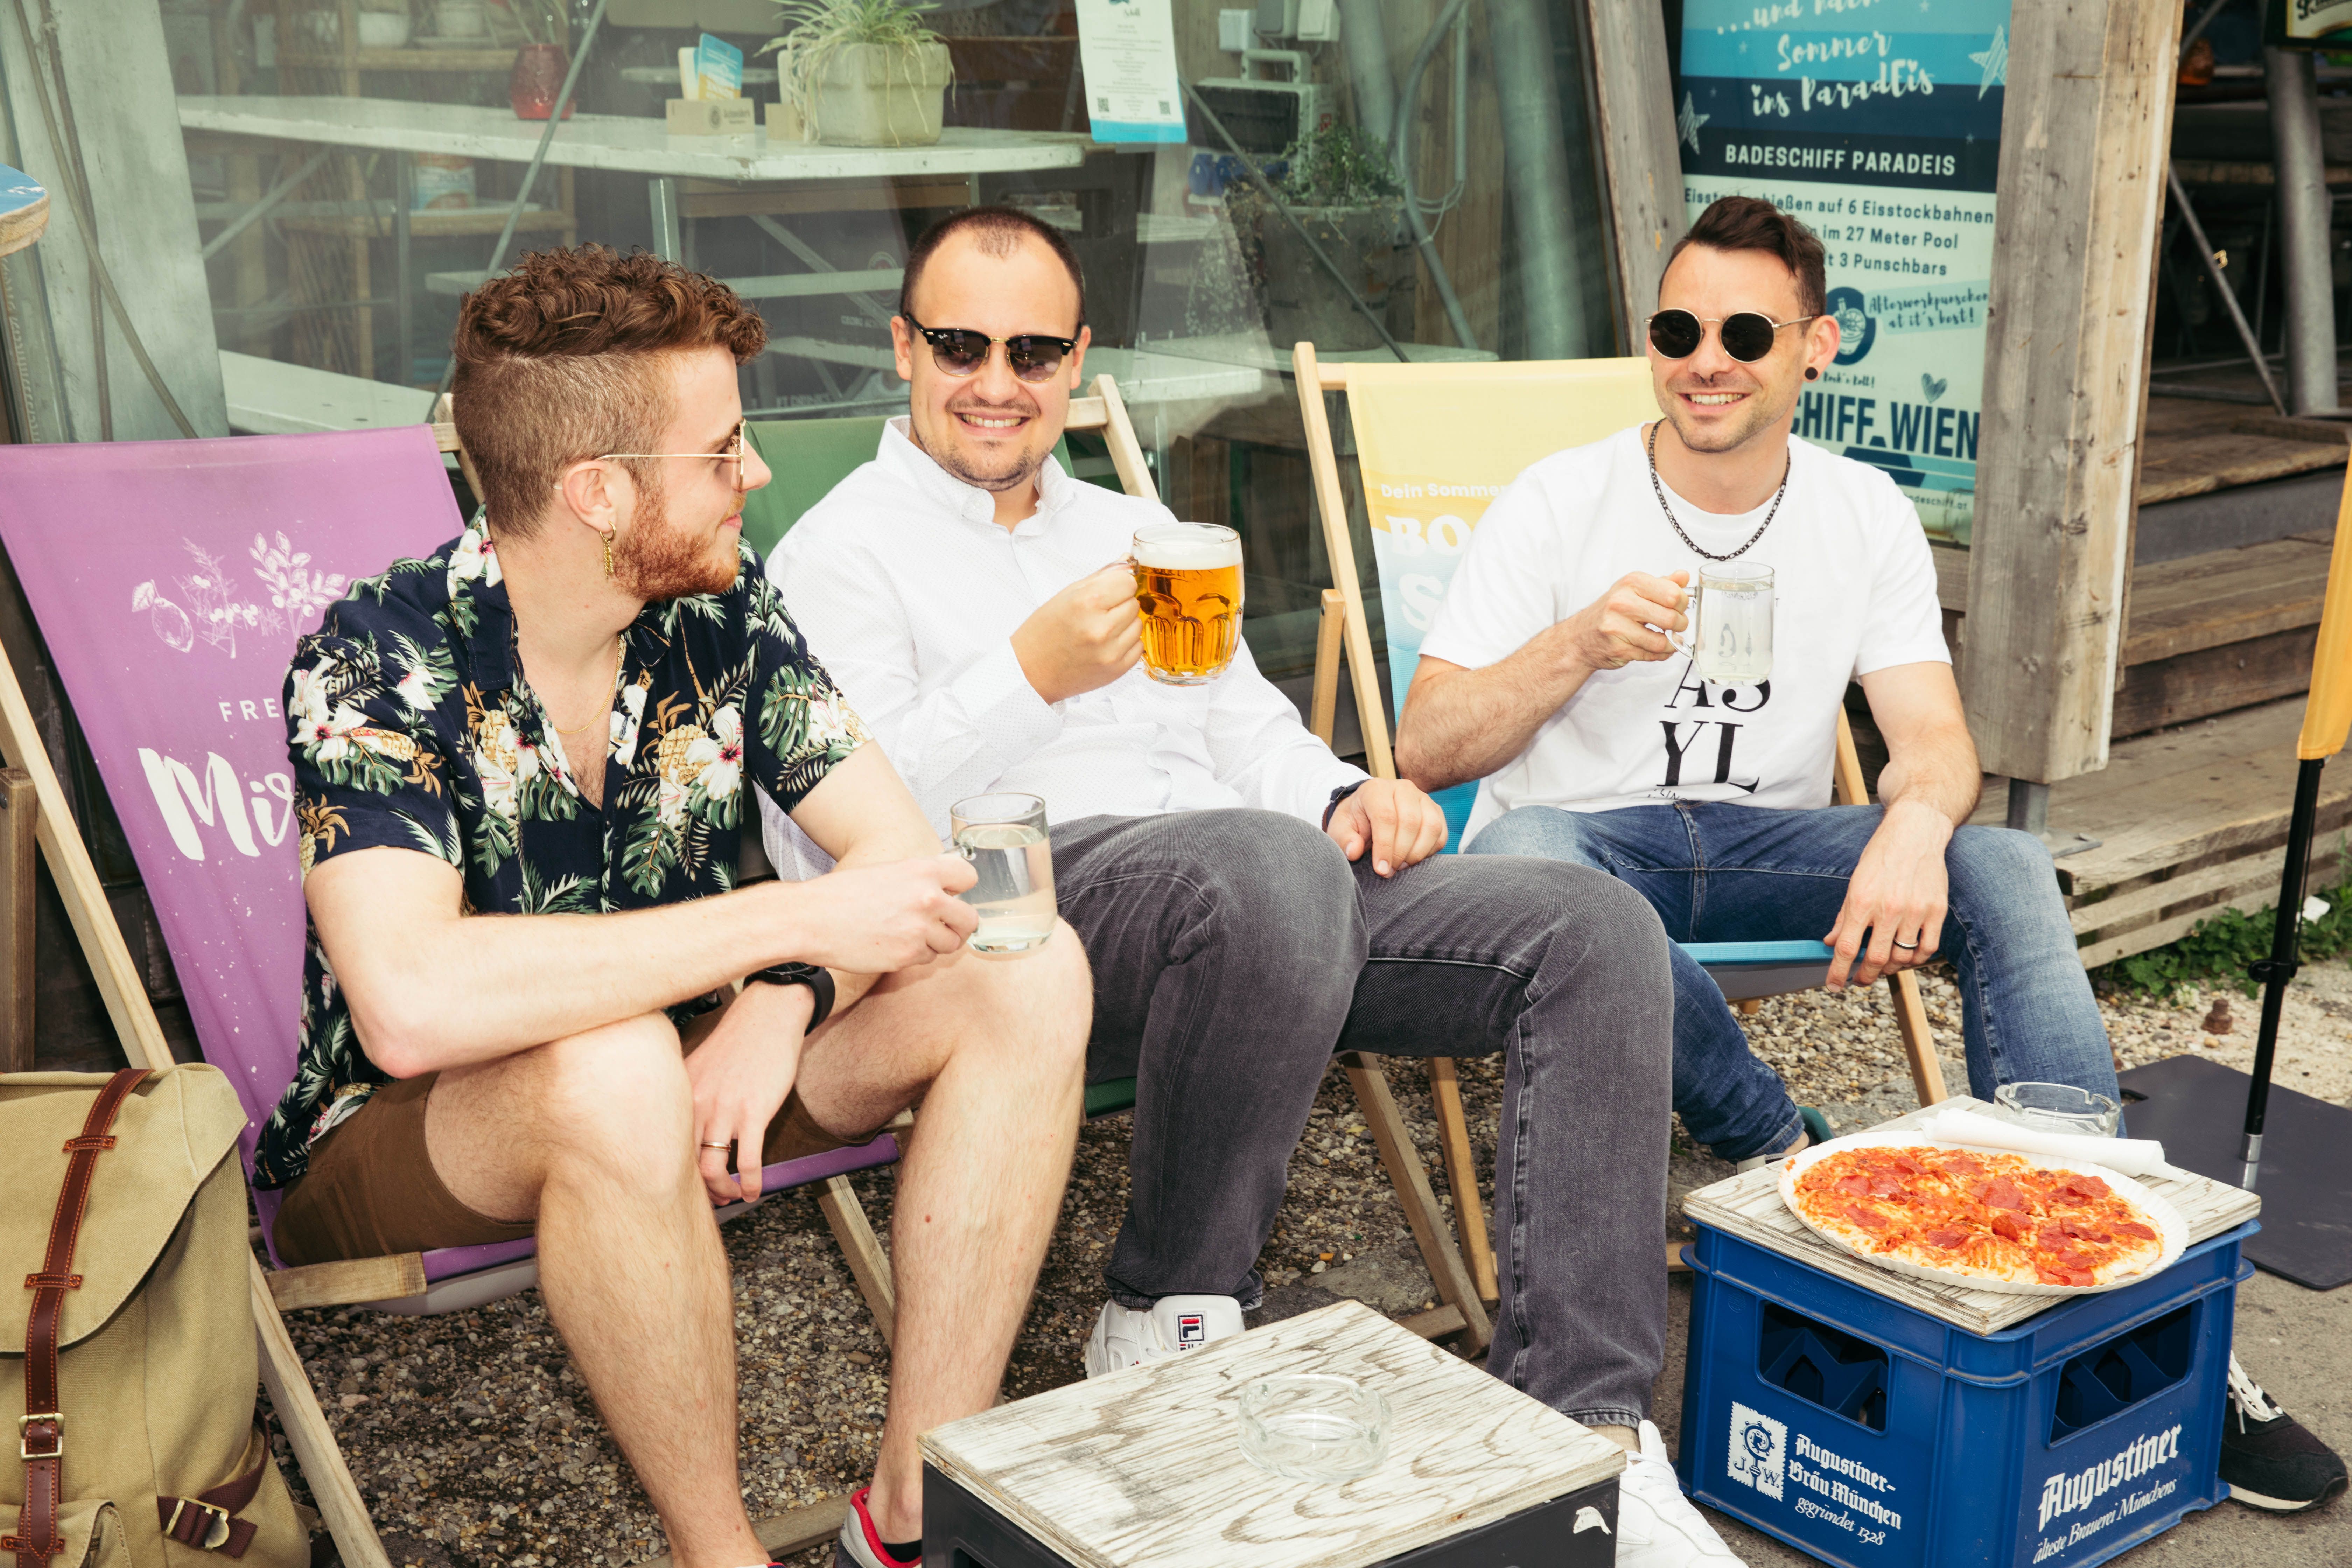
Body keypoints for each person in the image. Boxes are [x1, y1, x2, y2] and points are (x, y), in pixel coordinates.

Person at [763, 206, 1747, 1568]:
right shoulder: (839, 552)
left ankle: (1591, 1431)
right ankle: (1168, 1305)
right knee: (1263, 870)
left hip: (1259, 897)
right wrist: (1028, 672)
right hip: (1014, 924)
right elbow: (842, 829)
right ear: (903, 347)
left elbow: (1239, 722)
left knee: (1589, 929)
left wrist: (1345, 793)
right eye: (961, 343)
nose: (998, 377)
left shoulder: (1137, 524)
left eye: (1034, 348)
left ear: (1078, 357)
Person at [1392, 193, 2346, 1519]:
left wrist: (1912, 824)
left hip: (1767, 841)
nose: (1705, 356)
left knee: (2004, 863)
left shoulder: (1862, 510)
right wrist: (1574, 647)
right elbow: (1427, 749)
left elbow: (1936, 740)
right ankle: (1774, 1142)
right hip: (1586, 855)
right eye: (1677, 326)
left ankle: (2143, 1321)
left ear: (1817, 345)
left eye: (1743, 329)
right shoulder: (1559, 501)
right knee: (1550, 859)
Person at [253, 245, 1096, 1568]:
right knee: (609, 1064)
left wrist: (787, 1000)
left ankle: (924, 1511)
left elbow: (903, 862)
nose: (754, 476)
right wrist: (783, 931)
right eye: (723, 449)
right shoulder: (380, 655)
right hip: (404, 1135)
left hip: (709, 1073)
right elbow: (412, 1005)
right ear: (598, 491)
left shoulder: (717, 613)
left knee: (1025, 966)